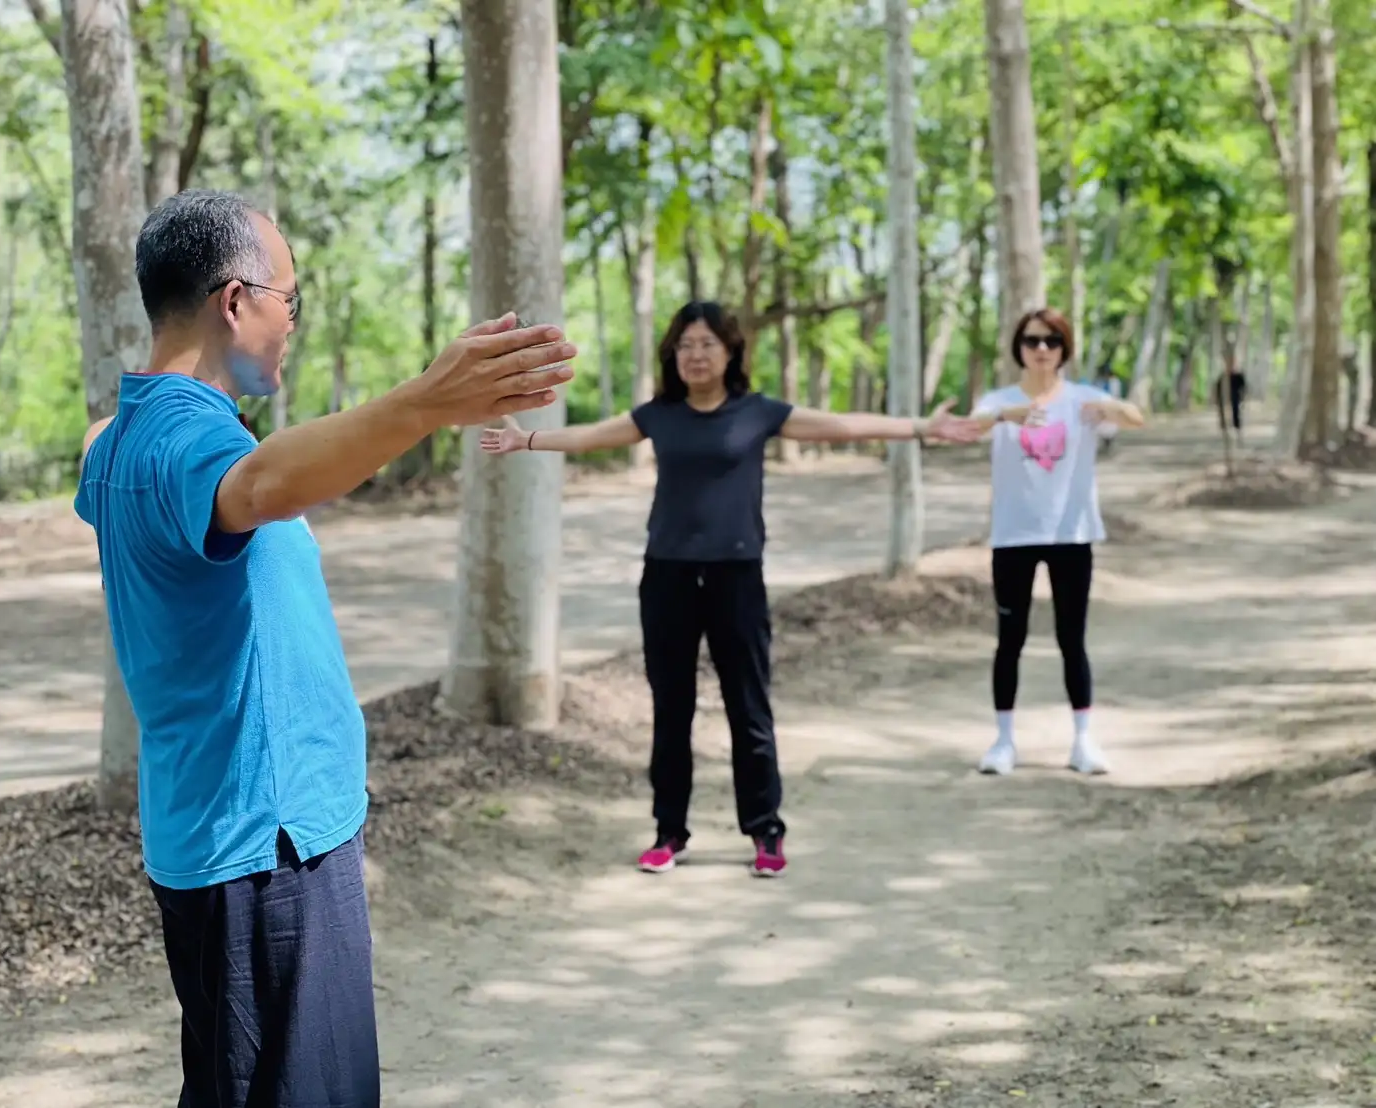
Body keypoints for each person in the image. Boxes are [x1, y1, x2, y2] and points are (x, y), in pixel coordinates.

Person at [73, 189, 575, 1106]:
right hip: (265, 842)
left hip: (231, 834)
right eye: (290, 301)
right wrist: (425, 401)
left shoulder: (123, 439)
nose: (292, 326)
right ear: (236, 301)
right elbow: (262, 485)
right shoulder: (190, 440)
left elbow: (130, 444)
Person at [480, 300, 983, 878]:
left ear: (730, 352)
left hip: (736, 577)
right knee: (672, 711)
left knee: (750, 708)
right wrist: (527, 442)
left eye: (707, 344)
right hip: (667, 576)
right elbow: (596, 436)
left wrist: (923, 428)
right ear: (674, 354)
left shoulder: (757, 412)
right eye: (686, 345)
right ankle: (669, 832)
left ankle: (765, 831)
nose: (695, 354)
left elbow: (841, 425)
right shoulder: (659, 414)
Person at [970, 308, 1144, 779]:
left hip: (1071, 534)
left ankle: (1083, 739)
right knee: (1011, 640)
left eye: (1051, 341)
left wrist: (1110, 408)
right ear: (1019, 349)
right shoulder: (999, 400)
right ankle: (1004, 740)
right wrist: (1007, 414)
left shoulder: (1083, 399)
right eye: (1032, 341)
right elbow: (971, 426)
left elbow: (1135, 419)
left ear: (1064, 348)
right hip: (1014, 535)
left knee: (1072, 638)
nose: (1041, 349)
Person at [1215, 346, 1247, 447]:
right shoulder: (1222, 378)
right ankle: (1225, 434)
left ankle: (1237, 434)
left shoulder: (1238, 376)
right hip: (1224, 401)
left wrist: (1242, 399)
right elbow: (1217, 390)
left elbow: (1243, 388)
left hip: (1235, 399)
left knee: (1236, 414)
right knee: (1224, 416)